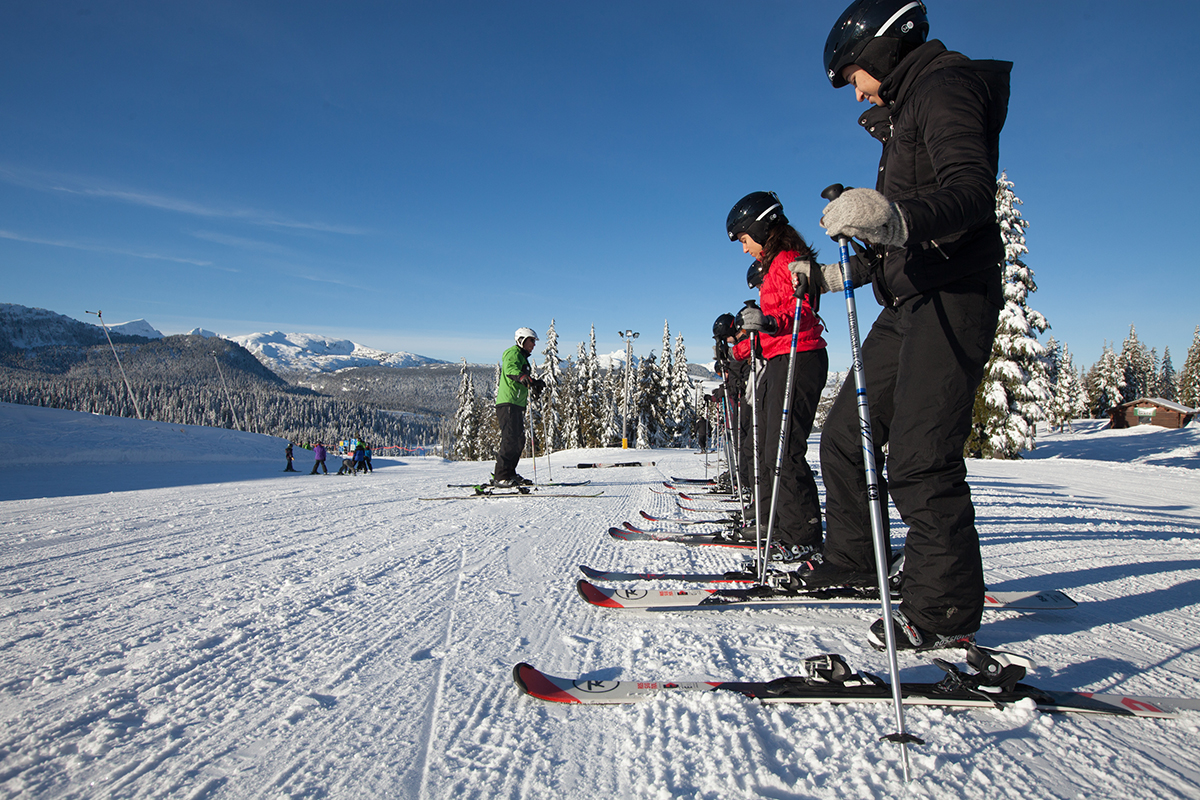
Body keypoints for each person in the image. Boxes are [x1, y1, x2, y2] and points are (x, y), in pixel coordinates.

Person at [795, 0, 1011, 652]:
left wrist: (892, 218)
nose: (856, 88)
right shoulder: (907, 111)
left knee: (921, 455)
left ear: (885, 50)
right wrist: (845, 274)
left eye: (855, 73)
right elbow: (900, 239)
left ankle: (943, 616)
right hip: (909, 300)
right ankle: (859, 562)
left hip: (955, 295)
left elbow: (971, 192)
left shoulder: (947, 87)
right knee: (843, 435)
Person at [724, 191, 829, 563]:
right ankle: (785, 527)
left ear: (759, 227)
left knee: (783, 451)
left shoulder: (786, 260)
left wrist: (765, 322)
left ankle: (803, 535)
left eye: (744, 239)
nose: (744, 249)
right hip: (783, 357)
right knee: (771, 451)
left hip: (800, 356)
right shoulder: (775, 265)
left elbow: (798, 309)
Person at [493, 327, 545, 487]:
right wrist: (522, 376)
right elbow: (511, 369)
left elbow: (522, 375)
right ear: (521, 340)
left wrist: (534, 382)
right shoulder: (513, 353)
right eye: (531, 340)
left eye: (534, 341)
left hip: (516, 404)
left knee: (518, 440)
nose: (534, 344)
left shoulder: (522, 357)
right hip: (508, 403)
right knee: (510, 439)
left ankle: (510, 473)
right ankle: (500, 476)